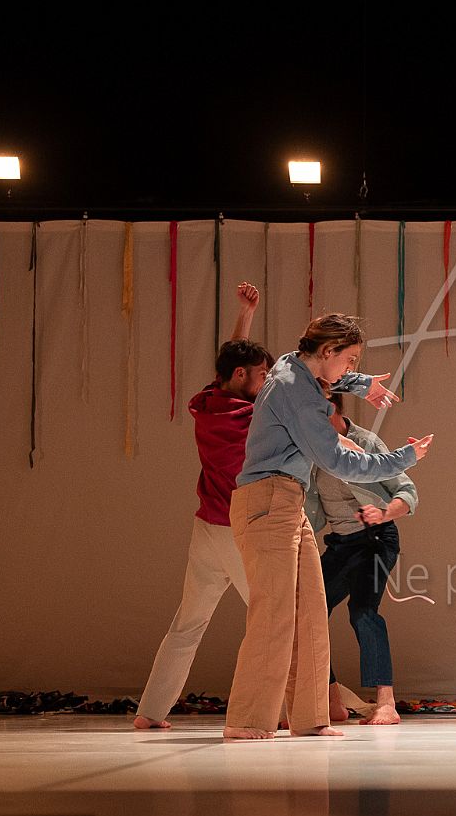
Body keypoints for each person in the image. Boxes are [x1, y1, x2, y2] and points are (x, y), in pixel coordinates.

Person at [223, 313, 432, 741]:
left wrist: (360, 383)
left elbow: (312, 370)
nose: (350, 367)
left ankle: (310, 716)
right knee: (274, 615)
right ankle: (245, 719)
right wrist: (403, 458)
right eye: (349, 359)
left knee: (311, 614)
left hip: (287, 501)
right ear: (328, 350)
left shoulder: (292, 365)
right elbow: (337, 461)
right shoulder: (298, 394)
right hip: (268, 501)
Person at [133, 282, 268, 730]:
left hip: (208, 530)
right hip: (236, 532)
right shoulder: (246, 418)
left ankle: (150, 712)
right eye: (261, 374)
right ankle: (284, 710)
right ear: (242, 377)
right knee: (273, 619)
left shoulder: (212, 403)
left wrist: (245, 315)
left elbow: (232, 361)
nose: (266, 381)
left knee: (187, 624)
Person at [304, 391, 419, 727]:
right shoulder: (312, 449)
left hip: (375, 540)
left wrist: (383, 513)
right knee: (307, 613)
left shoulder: (365, 442)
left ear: (331, 409)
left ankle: (386, 702)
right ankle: (331, 701)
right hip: (340, 544)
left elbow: (407, 493)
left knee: (363, 612)